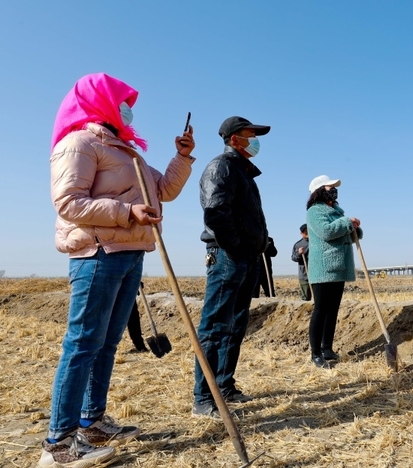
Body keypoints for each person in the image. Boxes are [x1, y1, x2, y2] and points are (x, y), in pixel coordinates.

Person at [43, 73, 194, 467]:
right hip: (98, 254)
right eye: (121, 100)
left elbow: (162, 192)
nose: (128, 108)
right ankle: (58, 443)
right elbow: (68, 202)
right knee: (82, 344)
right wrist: (126, 212)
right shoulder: (78, 144)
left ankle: (91, 421)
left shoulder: (127, 151)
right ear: (100, 102)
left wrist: (182, 156)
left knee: (106, 344)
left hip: (130, 252)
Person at [194, 116, 270, 419]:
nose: (256, 141)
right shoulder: (221, 167)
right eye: (251, 135)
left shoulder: (243, 171)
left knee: (234, 326)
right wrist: (237, 246)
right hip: (227, 255)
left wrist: (261, 242)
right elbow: (215, 212)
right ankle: (204, 397)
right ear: (234, 139)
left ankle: (224, 385)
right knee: (214, 326)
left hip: (246, 256)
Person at [306, 175, 362, 369]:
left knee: (333, 310)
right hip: (323, 267)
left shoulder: (337, 211)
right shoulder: (315, 211)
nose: (334, 190)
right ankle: (315, 353)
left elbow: (345, 233)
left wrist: (354, 228)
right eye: (330, 187)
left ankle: (327, 348)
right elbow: (327, 232)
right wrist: (347, 223)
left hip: (338, 266)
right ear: (319, 190)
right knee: (321, 309)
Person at [291, 224, 312, 301]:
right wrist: (299, 253)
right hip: (304, 275)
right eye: (305, 232)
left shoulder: (317, 242)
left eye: (308, 231)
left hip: (317, 275)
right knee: (306, 298)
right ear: (301, 233)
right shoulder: (298, 245)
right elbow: (293, 258)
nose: (307, 233)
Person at [126, 285, 148, 353]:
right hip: (110, 285)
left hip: (128, 287)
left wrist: (136, 280)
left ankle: (140, 346)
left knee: (133, 316)